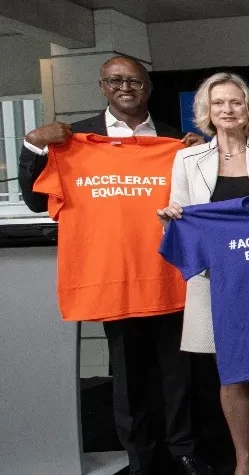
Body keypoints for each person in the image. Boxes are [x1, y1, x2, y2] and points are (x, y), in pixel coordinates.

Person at [17, 55, 211, 475]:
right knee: (127, 375)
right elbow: (36, 200)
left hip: (170, 276)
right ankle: (139, 457)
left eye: (135, 81)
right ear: (102, 86)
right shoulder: (74, 140)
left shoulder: (175, 141)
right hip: (112, 277)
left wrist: (202, 156)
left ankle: (184, 449)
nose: (126, 87)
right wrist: (34, 143)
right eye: (116, 80)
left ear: (148, 87)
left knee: (180, 372)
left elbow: (205, 200)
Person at [156, 72, 249, 475]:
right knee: (232, 372)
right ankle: (243, 456)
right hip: (213, 281)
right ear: (207, 111)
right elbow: (179, 216)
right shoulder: (186, 159)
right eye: (218, 103)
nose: (227, 110)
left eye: (235, 102)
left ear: (247, 108)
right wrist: (168, 220)